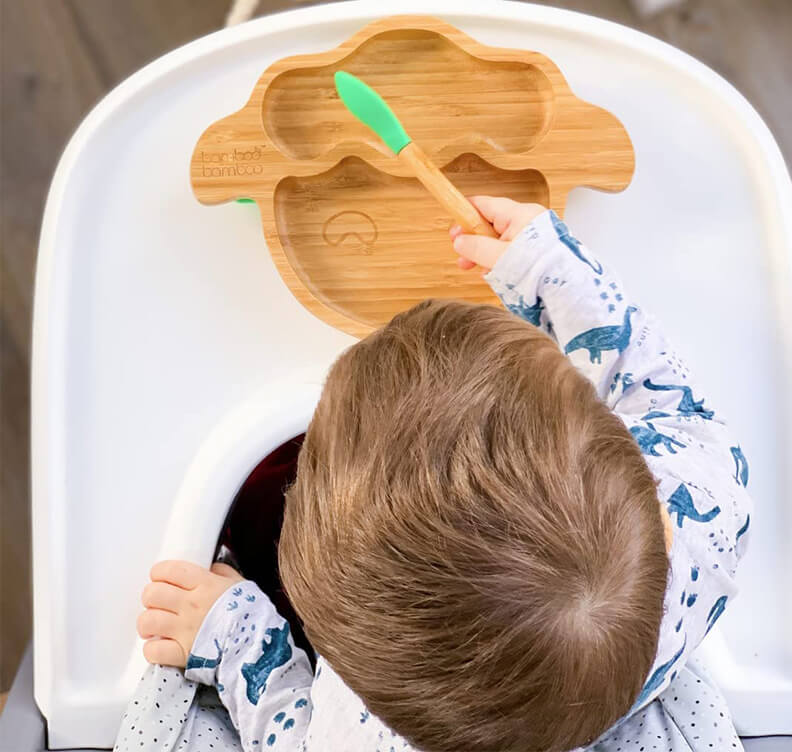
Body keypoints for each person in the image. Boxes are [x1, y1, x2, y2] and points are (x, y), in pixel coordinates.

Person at [135, 198, 752, 752]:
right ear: (661, 531)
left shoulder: (356, 738)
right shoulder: (695, 548)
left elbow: (288, 732)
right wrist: (551, 274)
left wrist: (240, 638)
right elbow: (669, 403)